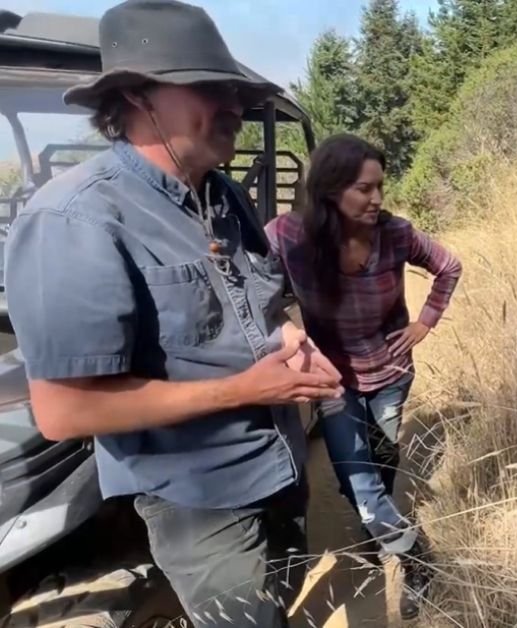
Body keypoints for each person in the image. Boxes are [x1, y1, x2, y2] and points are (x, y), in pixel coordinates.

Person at [3, 1, 343, 626]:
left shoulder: (224, 194)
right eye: (212, 88)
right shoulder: (74, 219)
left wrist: (290, 336)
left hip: (278, 465)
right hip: (201, 502)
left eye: (236, 89)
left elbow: (251, 307)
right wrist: (242, 390)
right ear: (137, 96)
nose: (236, 106)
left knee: (280, 604)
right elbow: (64, 411)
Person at [265, 133, 463, 620]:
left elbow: (449, 267)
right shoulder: (287, 236)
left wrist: (424, 323)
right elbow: (254, 292)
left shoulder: (395, 233)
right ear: (330, 188)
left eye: (380, 187)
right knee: (357, 479)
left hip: (391, 374)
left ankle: (380, 527)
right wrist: (293, 341)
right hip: (333, 381)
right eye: (363, 189)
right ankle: (416, 558)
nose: (377, 199)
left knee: (383, 456)